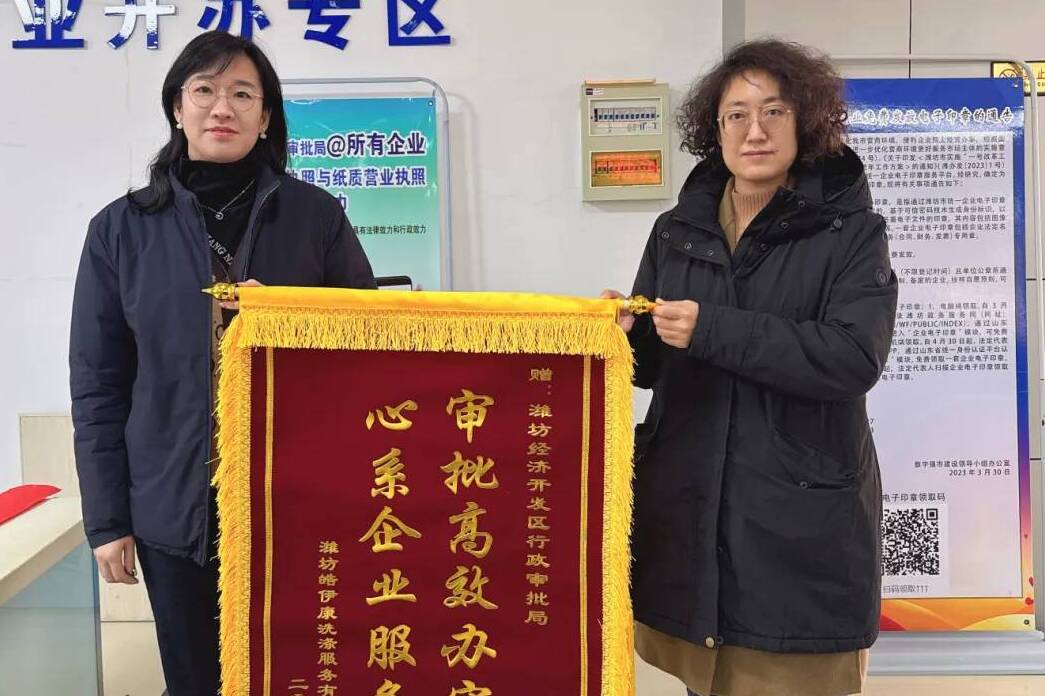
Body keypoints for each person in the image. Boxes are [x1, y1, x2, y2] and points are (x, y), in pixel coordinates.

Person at [70, 31, 376, 695]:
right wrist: (108, 519)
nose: (222, 108)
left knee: (300, 673)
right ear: (176, 108)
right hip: (171, 504)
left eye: (242, 93)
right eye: (204, 90)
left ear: (265, 117)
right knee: (196, 679)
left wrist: (291, 314)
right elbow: (99, 386)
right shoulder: (120, 229)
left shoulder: (316, 216)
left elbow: (369, 344)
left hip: (297, 497)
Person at [603, 39, 897, 696]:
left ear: (806, 122)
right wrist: (628, 333)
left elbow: (851, 358)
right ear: (715, 129)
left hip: (794, 517)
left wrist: (712, 329)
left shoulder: (851, 232)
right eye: (735, 114)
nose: (753, 131)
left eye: (773, 112)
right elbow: (651, 369)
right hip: (690, 509)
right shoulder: (676, 229)